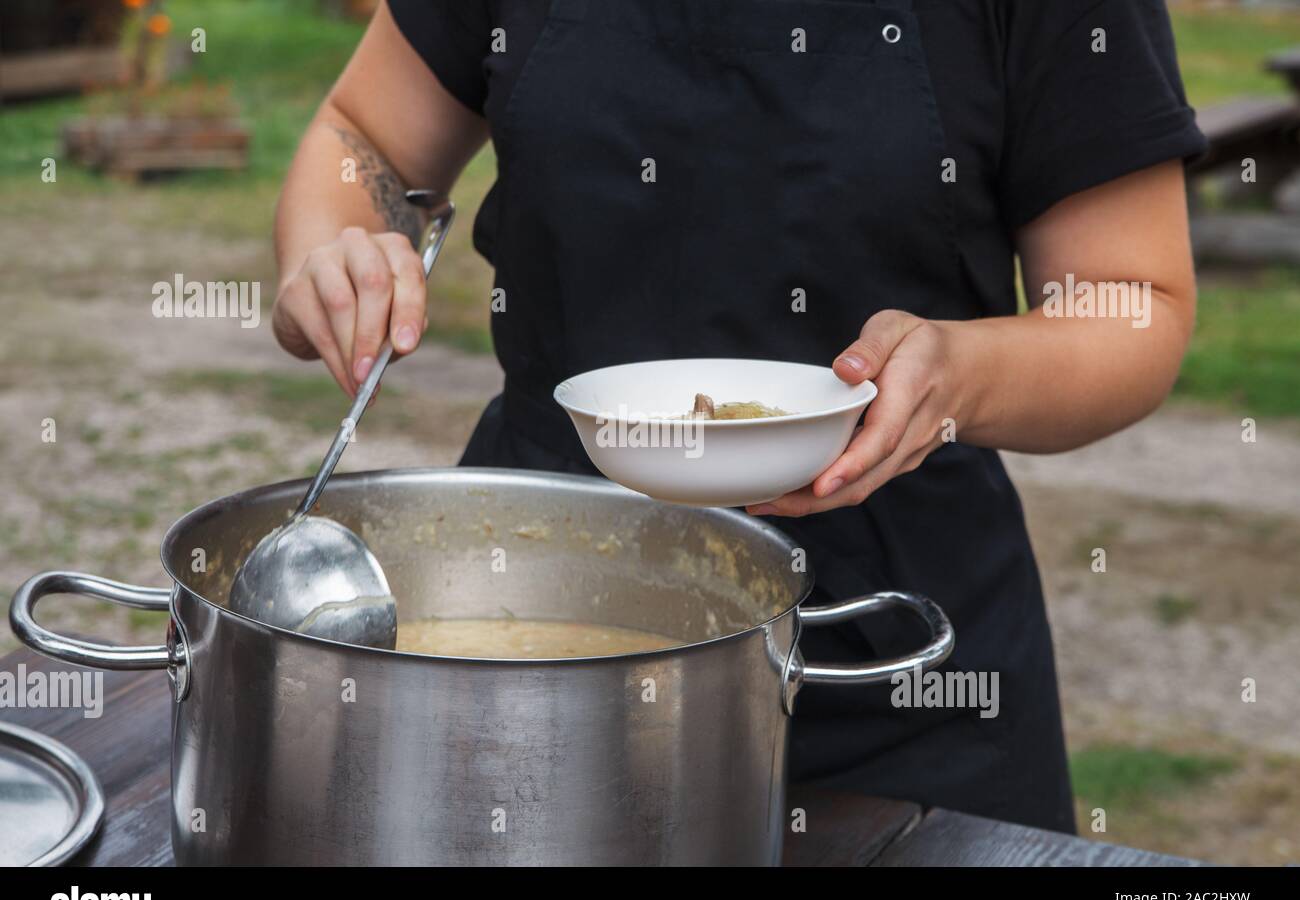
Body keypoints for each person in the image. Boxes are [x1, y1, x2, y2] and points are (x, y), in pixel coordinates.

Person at [271, 0, 1205, 833]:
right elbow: (364, 138)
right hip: (530, 632)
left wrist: (960, 377)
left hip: (900, 665)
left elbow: (1133, 304)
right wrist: (337, 245)